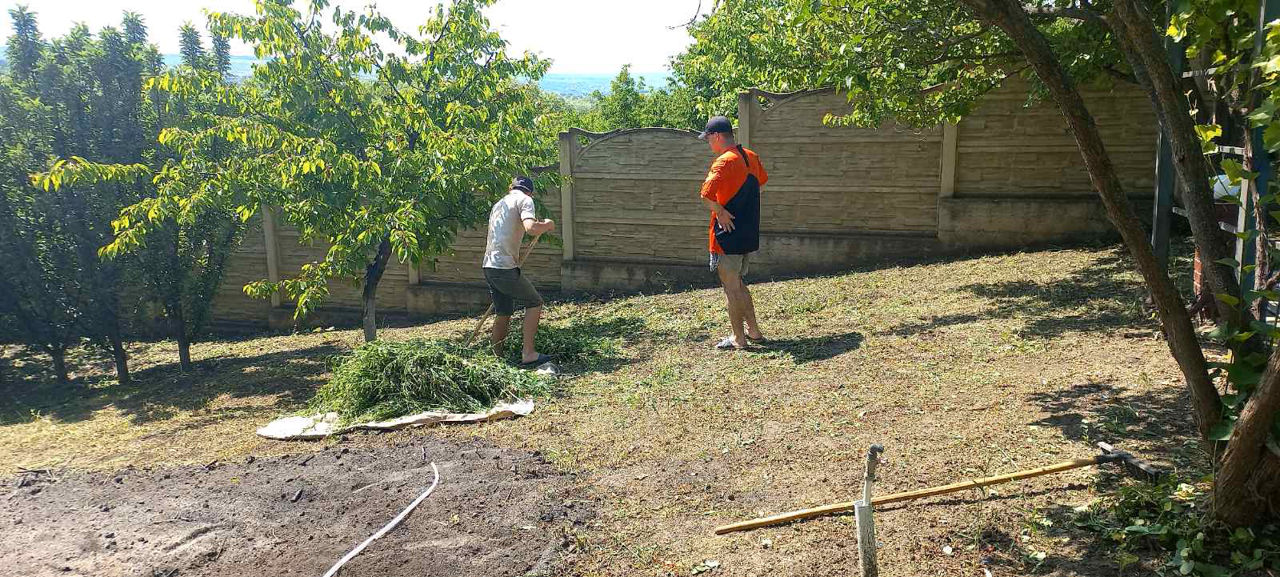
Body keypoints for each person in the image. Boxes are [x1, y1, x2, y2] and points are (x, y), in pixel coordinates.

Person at [697, 115, 768, 350]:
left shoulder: (723, 162)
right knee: (738, 283)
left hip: (726, 234)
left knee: (731, 287)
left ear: (717, 136)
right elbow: (759, 182)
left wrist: (721, 211)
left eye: (708, 139)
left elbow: (705, 195)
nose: (708, 144)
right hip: (748, 231)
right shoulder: (751, 156)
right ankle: (754, 331)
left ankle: (739, 338)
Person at [482, 175, 556, 366]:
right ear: (529, 191)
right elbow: (531, 228)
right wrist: (547, 225)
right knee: (534, 302)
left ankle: (495, 357)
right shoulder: (525, 200)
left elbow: (506, 232)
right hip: (505, 267)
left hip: (489, 265)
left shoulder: (500, 203)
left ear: (510, 188)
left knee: (503, 311)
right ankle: (528, 353)